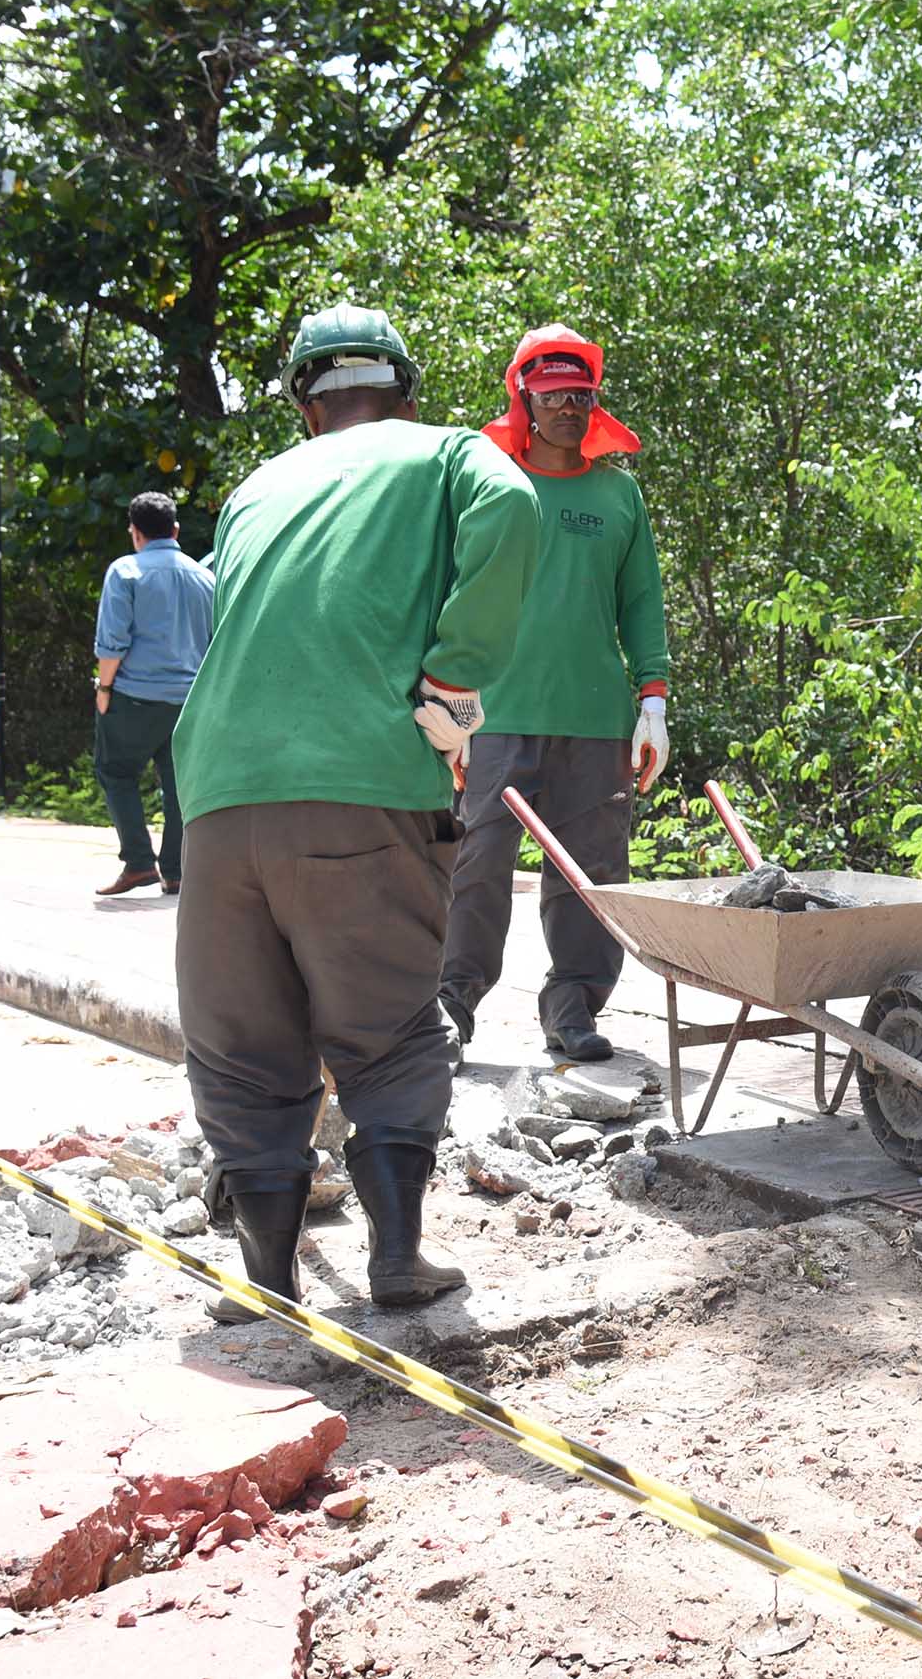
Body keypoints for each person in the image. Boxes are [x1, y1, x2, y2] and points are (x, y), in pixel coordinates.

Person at [172, 305, 540, 1319]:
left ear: (306, 407)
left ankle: (267, 1279)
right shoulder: (448, 453)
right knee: (388, 1028)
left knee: (245, 1043)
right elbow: (514, 505)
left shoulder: (254, 489)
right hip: (364, 781)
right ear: (406, 392)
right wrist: (455, 679)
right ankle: (399, 1258)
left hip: (218, 796)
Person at [438, 324, 672, 1061]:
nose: (570, 406)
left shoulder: (619, 495)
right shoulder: (489, 486)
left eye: (581, 394)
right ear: (525, 401)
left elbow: (642, 601)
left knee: (591, 873)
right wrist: (448, 708)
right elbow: (448, 593)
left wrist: (654, 702)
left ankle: (573, 1007)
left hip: (595, 718)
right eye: (553, 395)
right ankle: (450, 1006)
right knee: (477, 864)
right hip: (496, 712)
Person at [91, 490, 215, 897]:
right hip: (189, 700)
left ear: (135, 532)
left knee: (115, 771)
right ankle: (176, 871)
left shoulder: (126, 571)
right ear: (175, 530)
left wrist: (104, 688)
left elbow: (113, 642)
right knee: (178, 785)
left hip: (135, 696)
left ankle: (139, 862)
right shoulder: (205, 577)